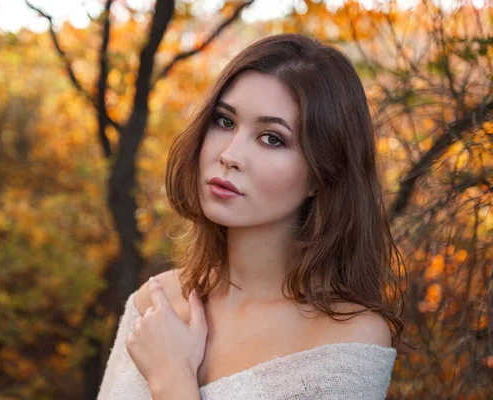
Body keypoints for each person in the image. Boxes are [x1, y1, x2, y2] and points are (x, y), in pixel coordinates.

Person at [97, 33, 405, 400]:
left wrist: (173, 381)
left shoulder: (349, 340)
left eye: (272, 138)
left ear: (323, 175)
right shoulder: (155, 302)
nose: (230, 154)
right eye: (225, 121)